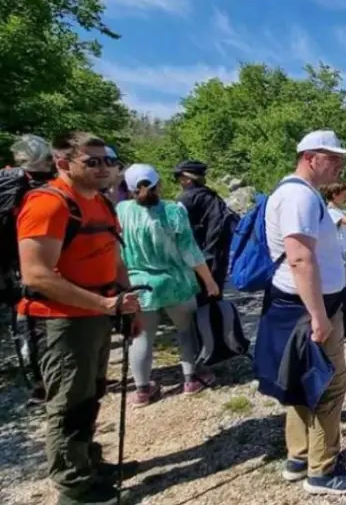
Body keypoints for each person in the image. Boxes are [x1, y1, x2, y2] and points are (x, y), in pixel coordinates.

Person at [16, 131, 142, 505]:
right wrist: (103, 305)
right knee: (69, 405)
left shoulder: (102, 205)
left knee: (90, 395)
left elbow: (114, 259)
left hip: (96, 315)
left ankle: (87, 463)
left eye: (108, 160)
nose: (104, 168)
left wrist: (126, 302)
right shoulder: (48, 204)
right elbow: (36, 274)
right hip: (60, 321)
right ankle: (74, 490)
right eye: (93, 161)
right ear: (63, 163)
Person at [258, 129, 346, 495]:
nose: (339, 164)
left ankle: (299, 456)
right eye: (332, 157)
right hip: (310, 308)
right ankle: (322, 471)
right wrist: (320, 316)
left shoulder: (296, 193)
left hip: (302, 305)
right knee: (329, 383)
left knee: (303, 377)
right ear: (310, 157)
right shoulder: (298, 197)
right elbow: (301, 258)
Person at [116, 164, 219, 407]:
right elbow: (191, 252)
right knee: (186, 330)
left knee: (141, 337)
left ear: (128, 189)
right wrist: (209, 280)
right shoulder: (173, 211)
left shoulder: (121, 210)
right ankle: (191, 379)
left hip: (138, 285)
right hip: (176, 283)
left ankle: (142, 390)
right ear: (159, 184)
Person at [2, 134, 56, 406]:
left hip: (11, 266)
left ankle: (38, 384)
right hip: (37, 263)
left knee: (26, 323)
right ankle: (49, 382)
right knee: (43, 323)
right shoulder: (41, 187)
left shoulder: (5, 180)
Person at [173, 160, 238, 305]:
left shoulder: (186, 199)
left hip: (199, 256)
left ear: (188, 179)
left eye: (178, 177)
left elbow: (176, 229)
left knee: (199, 301)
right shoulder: (211, 195)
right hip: (218, 253)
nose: (178, 181)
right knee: (215, 297)